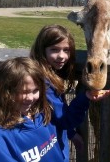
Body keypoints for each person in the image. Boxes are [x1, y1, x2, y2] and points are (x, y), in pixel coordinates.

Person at [0, 57, 110, 162]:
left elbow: (65, 120)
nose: (30, 98)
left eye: (36, 90)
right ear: (6, 92)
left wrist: (85, 98)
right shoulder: (1, 137)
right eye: (23, 92)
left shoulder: (45, 114)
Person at [29, 24, 97, 160]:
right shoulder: (43, 82)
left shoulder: (45, 74)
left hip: (49, 143)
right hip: (47, 148)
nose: (62, 56)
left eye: (66, 50)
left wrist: (71, 134)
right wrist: (85, 97)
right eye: (54, 50)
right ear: (42, 51)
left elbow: (54, 115)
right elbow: (65, 119)